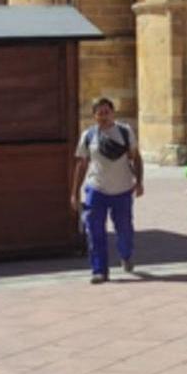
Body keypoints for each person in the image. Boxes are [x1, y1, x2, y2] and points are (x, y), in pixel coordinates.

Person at [71, 97, 145, 284]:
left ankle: (126, 254)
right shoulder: (88, 136)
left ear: (113, 113)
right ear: (94, 116)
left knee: (124, 229)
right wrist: (75, 192)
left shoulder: (124, 132)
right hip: (97, 189)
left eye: (107, 112)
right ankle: (99, 270)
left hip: (122, 189)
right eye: (99, 113)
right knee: (95, 231)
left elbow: (136, 157)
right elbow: (81, 164)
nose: (103, 116)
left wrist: (139, 181)